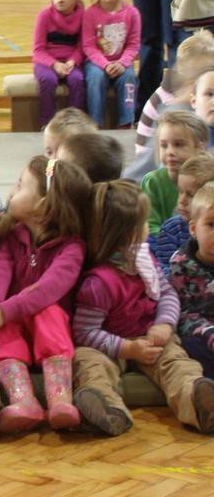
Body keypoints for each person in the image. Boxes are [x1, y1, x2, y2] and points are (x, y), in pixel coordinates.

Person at [74, 180, 214, 435]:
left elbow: (167, 293)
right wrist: (127, 348)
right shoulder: (97, 283)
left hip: (151, 339)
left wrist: (164, 324)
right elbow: (85, 332)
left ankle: (197, 401)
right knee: (90, 364)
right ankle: (104, 408)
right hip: (109, 346)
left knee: (178, 364)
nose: (148, 228)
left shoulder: (143, 258)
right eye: (144, 223)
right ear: (129, 232)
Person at [0, 156, 92, 432]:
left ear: (43, 206)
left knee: (49, 312)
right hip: (11, 323)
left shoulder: (71, 248)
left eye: (19, 185)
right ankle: (23, 400)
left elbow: (48, 289)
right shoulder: (8, 235)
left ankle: (60, 399)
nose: (12, 191)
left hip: (47, 332)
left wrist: (5, 311)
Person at [125, 30, 214, 181]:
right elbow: (148, 166)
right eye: (209, 93)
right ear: (193, 87)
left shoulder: (200, 112)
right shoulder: (177, 116)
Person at [83, 0, 141, 128]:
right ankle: (96, 123)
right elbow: (89, 46)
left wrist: (122, 63)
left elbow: (133, 44)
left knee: (129, 79)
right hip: (97, 63)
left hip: (122, 62)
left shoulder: (132, 13)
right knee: (95, 78)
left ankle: (126, 122)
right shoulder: (90, 14)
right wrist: (105, 65)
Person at [170, 184, 214, 378]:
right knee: (191, 348)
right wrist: (209, 332)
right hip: (200, 333)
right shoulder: (181, 264)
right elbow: (184, 314)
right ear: (194, 229)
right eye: (211, 225)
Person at [141, 111, 207, 236]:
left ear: (200, 147)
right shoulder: (153, 182)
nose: (170, 151)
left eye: (178, 145)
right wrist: (171, 239)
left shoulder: (208, 180)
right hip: (163, 244)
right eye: (164, 145)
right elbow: (149, 225)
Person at [33, 0, 86, 128]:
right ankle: (47, 123)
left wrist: (72, 62)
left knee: (77, 80)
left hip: (70, 63)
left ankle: (74, 122)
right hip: (47, 63)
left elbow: (82, 46)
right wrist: (54, 64)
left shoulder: (84, 16)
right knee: (48, 80)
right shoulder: (44, 16)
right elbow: (38, 50)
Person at [151, 152, 214, 275]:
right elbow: (164, 270)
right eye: (180, 192)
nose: (182, 200)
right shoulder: (172, 229)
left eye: (190, 195)